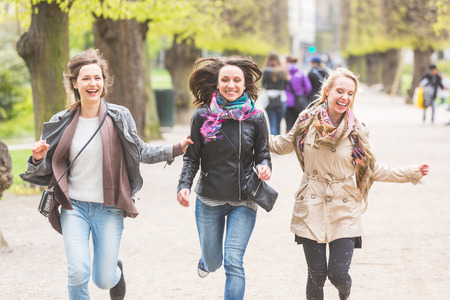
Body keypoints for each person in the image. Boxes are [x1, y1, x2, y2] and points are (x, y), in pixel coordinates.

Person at [20, 49, 192, 300]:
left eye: (97, 78)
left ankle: (115, 274)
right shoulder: (62, 120)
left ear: (104, 82)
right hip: (73, 207)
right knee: (78, 271)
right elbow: (43, 167)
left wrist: (177, 148)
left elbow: (140, 150)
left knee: (102, 278)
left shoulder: (119, 116)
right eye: (86, 78)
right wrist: (37, 158)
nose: (93, 83)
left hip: (109, 207)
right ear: (74, 84)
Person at [269, 67, 430, 300]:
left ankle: (345, 295)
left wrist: (409, 172)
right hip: (311, 201)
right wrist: (248, 133)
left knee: (338, 274)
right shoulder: (306, 122)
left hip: (344, 205)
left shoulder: (357, 131)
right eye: (340, 91)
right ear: (327, 92)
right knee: (316, 274)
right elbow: (282, 144)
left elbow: (371, 169)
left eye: (350, 93)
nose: (345, 97)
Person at [177, 56, 272, 300]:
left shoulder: (257, 117)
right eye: (225, 80)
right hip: (209, 200)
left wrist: (264, 167)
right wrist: (184, 186)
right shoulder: (201, 117)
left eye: (236, 80)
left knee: (233, 261)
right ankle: (206, 263)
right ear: (217, 84)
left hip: (244, 199)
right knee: (213, 262)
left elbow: (263, 154)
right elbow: (192, 158)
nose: (231, 85)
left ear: (244, 84)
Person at [262, 51, 289, 135]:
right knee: (278, 125)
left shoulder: (265, 71)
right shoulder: (283, 71)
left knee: (272, 124)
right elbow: (286, 85)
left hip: (269, 99)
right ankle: (278, 145)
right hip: (281, 99)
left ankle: (273, 145)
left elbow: (264, 85)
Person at [285, 55, 312, 132]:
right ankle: (297, 142)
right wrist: (303, 95)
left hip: (287, 102)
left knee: (288, 124)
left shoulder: (285, 73)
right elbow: (308, 87)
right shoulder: (301, 73)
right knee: (299, 124)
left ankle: (288, 141)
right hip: (299, 102)